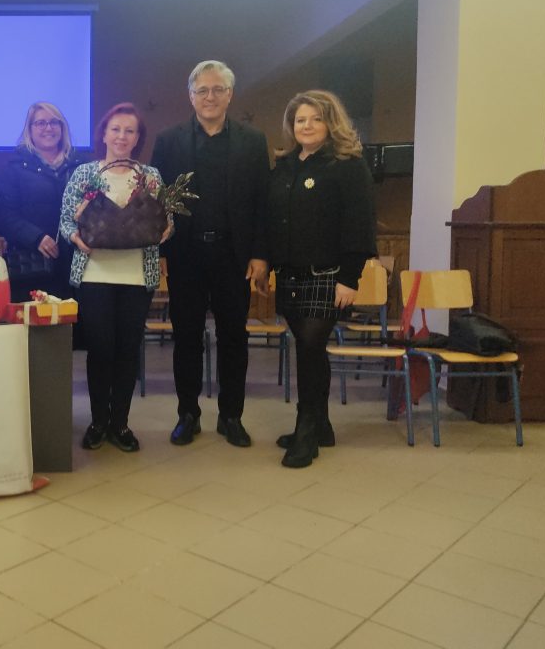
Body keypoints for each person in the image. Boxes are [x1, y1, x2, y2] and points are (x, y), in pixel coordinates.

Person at [151, 60, 270, 448]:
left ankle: (231, 416)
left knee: (233, 337)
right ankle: (188, 414)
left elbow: (262, 202)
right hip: (185, 254)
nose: (210, 97)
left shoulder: (253, 141)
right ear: (191, 96)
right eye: (202, 90)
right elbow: (157, 202)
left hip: (233, 255)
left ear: (230, 94)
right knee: (186, 336)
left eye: (218, 89)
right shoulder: (168, 141)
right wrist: (161, 251)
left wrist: (260, 254)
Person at [268, 90, 377, 468]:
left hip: (328, 276)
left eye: (316, 119)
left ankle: (306, 429)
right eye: (300, 120)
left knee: (310, 347)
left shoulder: (347, 165)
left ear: (331, 123)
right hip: (290, 273)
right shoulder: (284, 166)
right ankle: (323, 425)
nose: (307, 126)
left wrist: (350, 277)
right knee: (308, 346)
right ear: (291, 125)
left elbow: (360, 223)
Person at [60, 103, 167, 453]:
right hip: (95, 274)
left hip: (137, 276)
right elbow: (65, 221)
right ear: (104, 134)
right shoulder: (84, 174)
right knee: (100, 349)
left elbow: (164, 220)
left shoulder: (150, 176)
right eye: (116, 129)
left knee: (127, 351)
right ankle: (98, 422)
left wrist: (166, 229)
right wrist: (75, 237)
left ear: (138, 138)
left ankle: (120, 422)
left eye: (130, 131)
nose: (122, 136)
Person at [0, 101, 82, 302]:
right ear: (30, 129)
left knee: (73, 321)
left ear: (62, 127)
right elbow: (4, 215)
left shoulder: (82, 166)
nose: (48, 128)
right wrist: (36, 238)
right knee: (34, 321)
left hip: (75, 265)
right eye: (41, 123)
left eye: (54, 122)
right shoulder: (14, 169)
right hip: (31, 265)